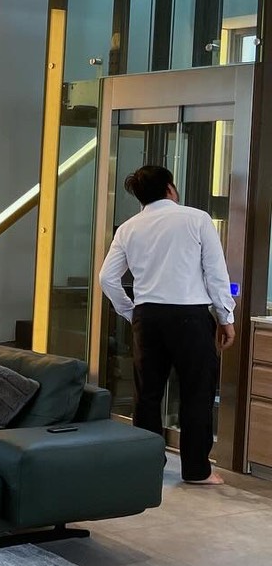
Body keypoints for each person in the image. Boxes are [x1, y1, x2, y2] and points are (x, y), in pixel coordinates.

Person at [98, 164, 235, 485]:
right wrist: (225, 317)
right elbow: (216, 273)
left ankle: (147, 465)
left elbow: (107, 278)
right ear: (170, 189)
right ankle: (197, 470)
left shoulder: (128, 228)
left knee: (147, 394)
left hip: (148, 319)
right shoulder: (197, 219)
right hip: (190, 317)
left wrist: (132, 312)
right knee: (196, 392)